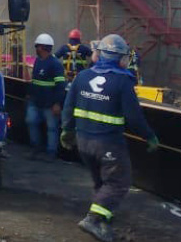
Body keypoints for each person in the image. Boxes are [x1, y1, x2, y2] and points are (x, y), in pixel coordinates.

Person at [60, 34, 159, 242]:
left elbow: (68, 107)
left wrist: (67, 131)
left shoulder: (82, 77)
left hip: (84, 142)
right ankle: (94, 219)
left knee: (102, 182)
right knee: (118, 182)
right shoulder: (122, 82)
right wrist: (149, 136)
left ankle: (103, 220)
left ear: (99, 54)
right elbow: (134, 117)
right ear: (120, 58)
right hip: (108, 144)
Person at [26, 33, 65, 161]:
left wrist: (57, 103)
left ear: (42, 47)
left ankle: (51, 153)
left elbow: (60, 86)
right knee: (31, 121)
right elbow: (34, 80)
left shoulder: (55, 64)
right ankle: (36, 147)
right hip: (35, 101)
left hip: (50, 104)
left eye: (37, 46)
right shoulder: (38, 61)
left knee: (52, 128)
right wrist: (30, 94)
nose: (36, 49)